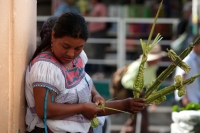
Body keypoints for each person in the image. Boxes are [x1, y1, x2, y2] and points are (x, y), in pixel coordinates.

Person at [25, 12, 146, 133]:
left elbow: (83, 79)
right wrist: (82, 108)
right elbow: (44, 110)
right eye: (65, 46)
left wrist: (95, 94)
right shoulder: (46, 67)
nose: (71, 54)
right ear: (53, 35)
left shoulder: (77, 59)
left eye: (78, 48)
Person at [110, 44, 166, 133]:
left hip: (142, 93)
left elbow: (153, 84)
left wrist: (154, 99)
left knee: (143, 120)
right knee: (134, 120)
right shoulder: (137, 66)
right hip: (133, 93)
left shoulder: (152, 68)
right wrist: (138, 89)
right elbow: (126, 81)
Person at [174, 35, 200, 107]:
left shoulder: (196, 58)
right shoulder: (187, 59)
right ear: (196, 45)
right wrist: (184, 97)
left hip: (194, 97)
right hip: (186, 99)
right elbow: (181, 78)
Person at [85, 0, 108, 79]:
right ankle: (98, 71)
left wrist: (86, 15)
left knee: (99, 52)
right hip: (95, 33)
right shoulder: (97, 6)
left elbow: (97, 15)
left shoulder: (100, 6)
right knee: (97, 52)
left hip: (99, 32)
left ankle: (100, 72)